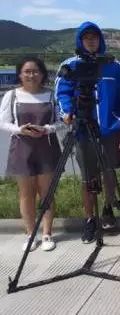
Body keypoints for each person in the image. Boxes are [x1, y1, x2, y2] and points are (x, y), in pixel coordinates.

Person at [55, 21, 120, 243]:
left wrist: (119, 121)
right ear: (80, 40)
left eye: (94, 37)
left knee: (109, 171)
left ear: (100, 39)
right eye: (86, 37)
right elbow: (62, 93)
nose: (91, 40)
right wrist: (67, 112)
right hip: (83, 129)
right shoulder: (70, 65)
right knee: (88, 176)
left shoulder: (114, 66)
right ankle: (90, 219)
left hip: (109, 129)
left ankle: (108, 209)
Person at [0, 56, 63, 252]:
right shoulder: (12, 96)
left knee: (46, 193)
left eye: (35, 71)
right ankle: (30, 234)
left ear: (42, 74)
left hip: (47, 147)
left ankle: (47, 233)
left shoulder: (51, 95)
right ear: (19, 74)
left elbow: (62, 122)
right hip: (21, 149)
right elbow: (3, 122)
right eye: (27, 71)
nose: (31, 75)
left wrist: (47, 129)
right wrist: (20, 129)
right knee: (26, 194)